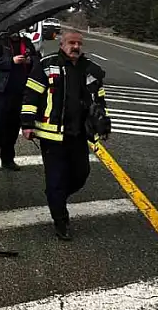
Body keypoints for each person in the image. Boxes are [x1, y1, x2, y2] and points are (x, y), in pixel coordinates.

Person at [20, 30, 111, 241]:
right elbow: (31, 94)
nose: (76, 47)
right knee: (56, 179)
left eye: (79, 43)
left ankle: (55, 197)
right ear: (62, 44)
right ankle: (61, 220)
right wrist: (26, 123)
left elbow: (100, 101)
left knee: (81, 174)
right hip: (52, 135)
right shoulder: (46, 65)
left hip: (79, 135)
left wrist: (103, 126)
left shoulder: (90, 70)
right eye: (71, 43)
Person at [0, 30, 37, 172]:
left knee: (13, 126)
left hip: (20, 91)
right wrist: (11, 61)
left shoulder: (27, 42)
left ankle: (8, 159)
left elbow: (37, 58)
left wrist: (30, 61)